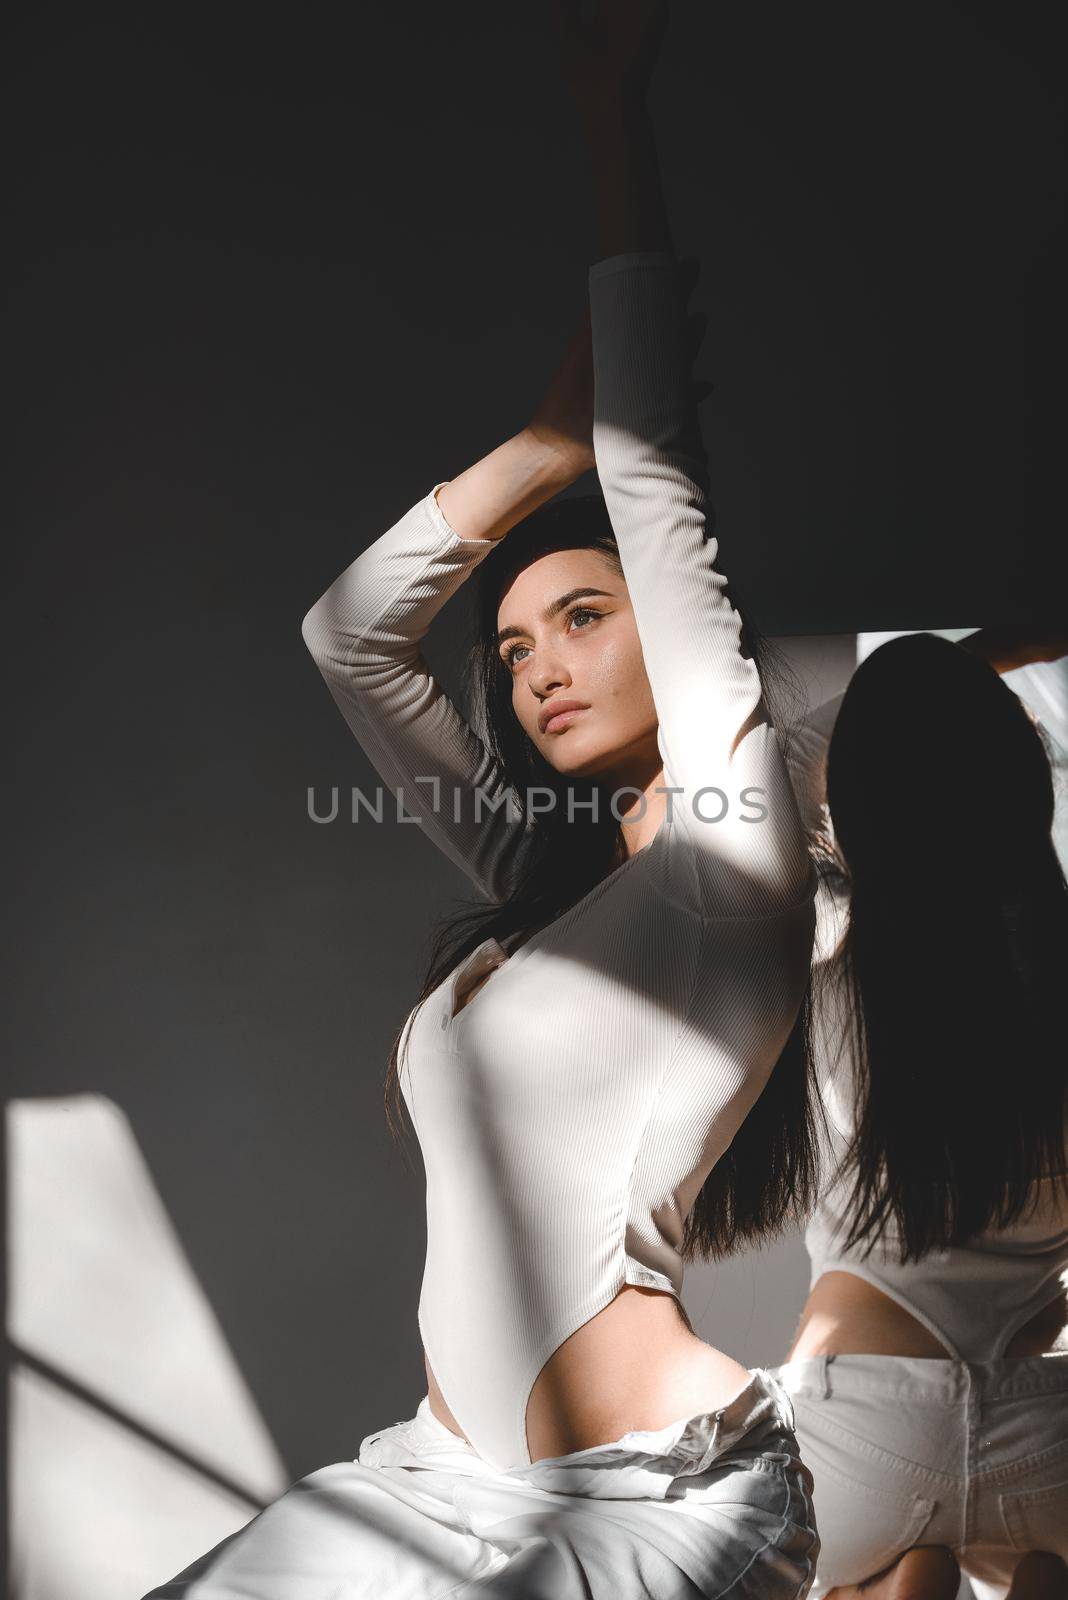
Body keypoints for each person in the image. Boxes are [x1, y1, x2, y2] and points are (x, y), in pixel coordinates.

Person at [142, 3, 826, 1595]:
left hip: (645, 1504)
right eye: (513, 647)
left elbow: (660, 494)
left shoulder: (736, 853)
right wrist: (535, 444)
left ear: (682, 635)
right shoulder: (544, 877)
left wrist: (615, 136)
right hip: (435, 1484)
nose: (536, 668)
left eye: (585, 617)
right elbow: (354, 631)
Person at [768, 627, 1068, 1600]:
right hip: (1049, 1428)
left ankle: (899, 1573)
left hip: (863, 1424)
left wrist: (978, 656)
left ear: (860, 806)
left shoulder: (826, 962)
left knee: (855, 1572)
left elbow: (746, 784)